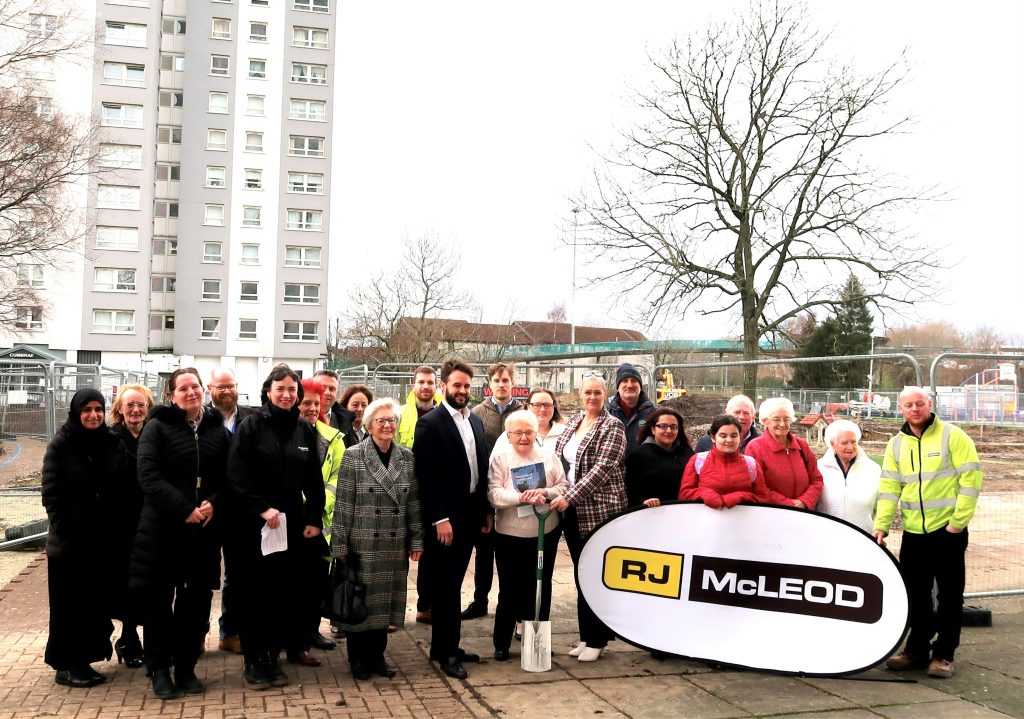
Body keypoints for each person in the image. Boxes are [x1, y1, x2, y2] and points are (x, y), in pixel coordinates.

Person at [131, 368, 230, 699]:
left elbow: (228, 476)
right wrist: (182, 508)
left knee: (196, 603)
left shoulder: (217, 429)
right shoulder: (156, 427)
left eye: (196, 386)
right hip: (163, 530)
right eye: (183, 388)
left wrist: (214, 503)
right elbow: (148, 475)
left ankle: (186, 667)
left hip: (202, 532)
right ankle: (159, 669)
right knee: (159, 603)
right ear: (171, 395)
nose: (191, 392)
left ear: (204, 390)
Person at [227, 365, 326, 689]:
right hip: (254, 525)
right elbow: (237, 474)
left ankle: (272, 655)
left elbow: (314, 480)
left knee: (282, 593)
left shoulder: (303, 430)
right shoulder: (251, 426)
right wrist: (261, 508)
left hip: (290, 525)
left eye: (292, 390)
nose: (287, 395)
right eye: (280, 389)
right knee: (255, 594)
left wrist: (313, 519)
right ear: (268, 391)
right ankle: (254, 660)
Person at [873, 387, 983, 680]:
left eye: (919, 403)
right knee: (916, 596)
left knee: (949, 597)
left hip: (948, 532)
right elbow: (889, 489)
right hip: (914, 533)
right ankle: (917, 651)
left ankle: (944, 654)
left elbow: (970, 481)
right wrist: (882, 525)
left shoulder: (953, 436)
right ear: (901, 409)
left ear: (929, 405)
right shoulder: (896, 445)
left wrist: (957, 523)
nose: (914, 409)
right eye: (908, 405)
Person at [332, 398, 423, 679]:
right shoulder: (353, 455)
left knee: (386, 605)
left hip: (394, 545)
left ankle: (378, 657)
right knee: (363, 604)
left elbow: (413, 503)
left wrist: (417, 539)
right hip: (363, 542)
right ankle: (359, 659)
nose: (387, 425)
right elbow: (344, 503)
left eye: (391, 420)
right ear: (370, 425)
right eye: (381, 421)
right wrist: (340, 544)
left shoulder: (407, 457)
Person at [412, 359, 491, 679]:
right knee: (445, 588)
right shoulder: (430, 423)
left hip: (471, 514)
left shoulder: (474, 421)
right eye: (457, 385)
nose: (462, 391)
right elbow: (426, 476)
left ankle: (447, 645)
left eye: (467, 386)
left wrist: (485, 510)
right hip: (445, 521)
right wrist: (439, 518)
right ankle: (445, 653)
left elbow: (480, 467)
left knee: (455, 583)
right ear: (444, 386)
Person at [41, 389, 123, 688]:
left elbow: (122, 487)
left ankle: (84, 660)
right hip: (70, 546)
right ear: (76, 412)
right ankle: (66, 665)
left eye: (98, 409)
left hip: (101, 543)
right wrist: (67, 535)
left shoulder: (110, 443)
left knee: (92, 607)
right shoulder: (61, 444)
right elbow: (52, 494)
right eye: (86, 409)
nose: (93, 415)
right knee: (67, 609)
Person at [550, 372, 627, 662]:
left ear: (605, 394)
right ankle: (586, 636)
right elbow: (558, 460)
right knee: (581, 574)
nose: (592, 397)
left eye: (597, 392)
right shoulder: (572, 422)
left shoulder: (613, 426)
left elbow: (603, 469)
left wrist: (566, 498)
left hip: (598, 511)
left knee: (595, 574)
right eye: (588, 392)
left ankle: (597, 639)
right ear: (580, 394)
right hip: (570, 510)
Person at [487, 410, 566, 661]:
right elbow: (494, 494)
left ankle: (538, 641)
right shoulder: (501, 459)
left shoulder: (548, 456)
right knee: (509, 589)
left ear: (536, 434)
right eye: (518, 433)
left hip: (545, 532)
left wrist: (544, 492)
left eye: (529, 432)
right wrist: (520, 497)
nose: (524, 437)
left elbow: (563, 487)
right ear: (509, 435)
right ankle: (501, 642)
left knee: (541, 587)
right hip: (510, 535)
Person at [464, 363, 523, 620]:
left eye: (506, 380)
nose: (501, 384)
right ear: (490, 383)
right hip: (487, 494)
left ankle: (512, 605)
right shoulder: (476, 413)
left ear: (512, 383)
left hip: (517, 497)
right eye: (497, 380)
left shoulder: (523, 412)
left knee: (512, 557)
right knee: (484, 553)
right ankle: (479, 601)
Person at [206, 366, 255, 655]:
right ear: (209, 388)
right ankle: (196, 634)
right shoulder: (201, 420)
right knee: (202, 577)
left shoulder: (252, 418)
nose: (226, 391)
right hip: (210, 508)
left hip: (243, 511)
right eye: (220, 386)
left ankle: (230, 632)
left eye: (230, 386)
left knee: (237, 575)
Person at [296, 378, 345, 661]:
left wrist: (317, 503)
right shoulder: (288, 434)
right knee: (293, 585)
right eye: (306, 403)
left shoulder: (332, 437)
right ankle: (292, 637)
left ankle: (311, 632)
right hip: (293, 523)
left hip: (321, 525)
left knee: (317, 583)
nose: (312, 408)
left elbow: (338, 478)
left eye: (316, 403)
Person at [106, 384, 154, 670]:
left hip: (149, 521)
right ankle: (128, 638)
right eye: (130, 405)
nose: (135, 410)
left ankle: (131, 639)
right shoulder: (110, 439)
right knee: (124, 586)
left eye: (141, 405)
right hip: (120, 524)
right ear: (120, 409)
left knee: (146, 586)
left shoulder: (154, 435)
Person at [397, 365, 442, 624]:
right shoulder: (400, 414)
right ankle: (395, 611)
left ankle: (425, 606)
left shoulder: (443, 415)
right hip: (403, 494)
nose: (426, 386)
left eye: (430, 382)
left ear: (436, 386)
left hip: (430, 495)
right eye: (421, 382)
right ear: (413, 385)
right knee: (398, 554)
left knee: (429, 555)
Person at [745, 397, 823, 509]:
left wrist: (804, 501)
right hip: (773, 514)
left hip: (805, 513)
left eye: (786, 419)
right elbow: (757, 486)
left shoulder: (802, 445)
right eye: (776, 419)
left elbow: (817, 479)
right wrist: (789, 504)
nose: (782, 424)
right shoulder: (755, 448)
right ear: (765, 421)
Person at [679, 415, 769, 508]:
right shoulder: (698, 460)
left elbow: (762, 499)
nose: (729, 440)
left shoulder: (751, 464)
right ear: (713, 438)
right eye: (723, 436)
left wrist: (741, 496)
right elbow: (684, 495)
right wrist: (705, 494)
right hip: (705, 520)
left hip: (743, 520)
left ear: (740, 437)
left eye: (734, 435)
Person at [816, 419, 881, 534]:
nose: (850, 447)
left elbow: (880, 504)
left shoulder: (873, 469)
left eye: (853, 442)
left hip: (863, 535)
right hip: (827, 535)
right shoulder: (819, 468)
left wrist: (878, 529)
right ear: (832, 444)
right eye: (844, 443)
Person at [624, 406, 694, 508]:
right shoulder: (638, 456)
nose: (669, 431)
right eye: (663, 426)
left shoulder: (687, 452)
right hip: (653, 513)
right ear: (653, 429)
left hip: (684, 511)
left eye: (674, 427)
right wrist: (642, 502)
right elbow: (630, 490)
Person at [489, 387, 567, 456]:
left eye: (547, 405)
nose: (542, 409)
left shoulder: (565, 434)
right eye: (537, 405)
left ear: (554, 407)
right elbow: (495, 465)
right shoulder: (511, 434)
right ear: (528, 406)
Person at [605, 363, 655, 456]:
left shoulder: (653, 414)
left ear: (640, 386)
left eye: (634, 380)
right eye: (624, 381)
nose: (630, 385)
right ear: (618, 387)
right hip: (614, 468)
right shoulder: (607, 413)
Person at [693, 394, 760, 452]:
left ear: (753, 417)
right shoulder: (706, 443)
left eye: (746, 413)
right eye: (737, 412)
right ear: (726, 413)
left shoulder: (761, 445)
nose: (741, 417)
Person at [315, 369, 358, 445]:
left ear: (337, 393)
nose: (327, 392)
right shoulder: (299, 417)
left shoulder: (345, 421)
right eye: (322, 387)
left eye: (332, 389)